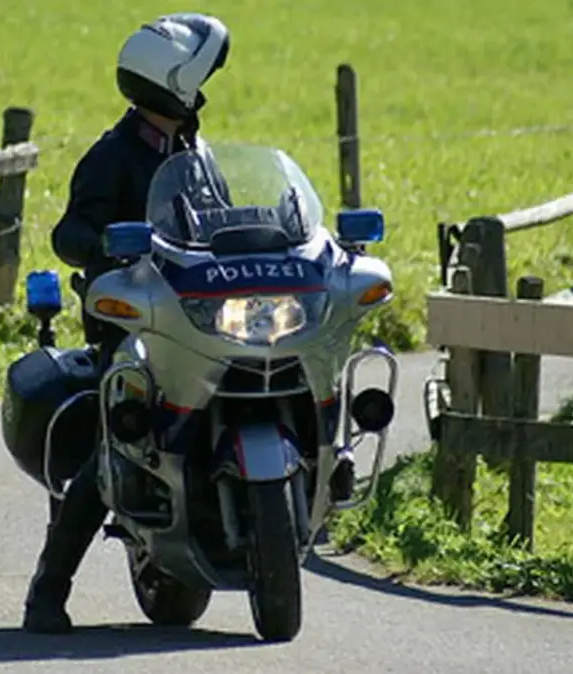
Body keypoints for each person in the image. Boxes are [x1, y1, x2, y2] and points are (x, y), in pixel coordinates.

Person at [23, 11, 352, 634]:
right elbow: (69, 233)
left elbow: (218, 222)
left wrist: (274, 222)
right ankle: (47, 592)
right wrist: (104, 245)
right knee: (112, 448)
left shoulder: (192, 151)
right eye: (199, 79)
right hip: (139, 325)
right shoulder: (111, 156)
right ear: (173, 82)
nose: (205, 90)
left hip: (203, 320)